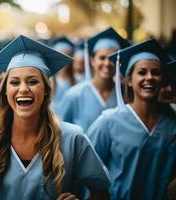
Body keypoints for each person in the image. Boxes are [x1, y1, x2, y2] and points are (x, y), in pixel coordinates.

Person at [0, 35, 110, 200]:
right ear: (5, 90)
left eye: (32, 81)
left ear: (46, 89)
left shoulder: (72, 138)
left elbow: (102, 192)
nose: (23, 89)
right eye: (15, 82)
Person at [87, 38, 176, 199]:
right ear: (128, 80)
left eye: (155, 73)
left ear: (162, 80)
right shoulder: (108, 122)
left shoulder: (171, 125)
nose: (149, 77)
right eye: (142, 72)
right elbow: (87, 171)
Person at [61, 27, 131, 131]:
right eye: (102, 58)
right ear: (92, 61)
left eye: (112, 58)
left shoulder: (126, 94)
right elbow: (63, 134)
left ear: (118, 62)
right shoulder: (74, 95)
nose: (107, 63)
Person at [50, 36, 76, 119]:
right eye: (59, 57)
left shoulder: (78, 81)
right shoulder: (48, 81)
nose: (63, 61)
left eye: (66, 56)